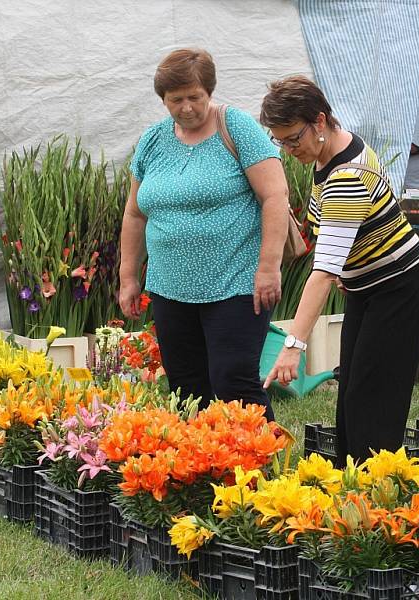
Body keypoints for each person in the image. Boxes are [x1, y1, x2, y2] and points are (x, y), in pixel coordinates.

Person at [260, 76, 419, 465]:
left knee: (374, 400)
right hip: (366, 285)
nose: (288, 151)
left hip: (398, 288)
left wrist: (293, 346)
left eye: (293, 139)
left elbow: (322, 273)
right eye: (281, 142)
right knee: (352, 392)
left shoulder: (346, 178)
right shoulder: (331, 147)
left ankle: (378, 497)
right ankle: (351, 487)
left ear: (319, 121)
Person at [119, 48, 288, 419]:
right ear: (162, 99)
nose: (186, 107)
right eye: (174, 100)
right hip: (170, 288)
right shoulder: (152, 141)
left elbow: (275, 196)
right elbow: (134, 213)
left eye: (194, 97)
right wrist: (128, 276)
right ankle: (201, 468)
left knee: (233, 381)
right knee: (186, 387)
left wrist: (268, 266)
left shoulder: (237, 128)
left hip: (236, 283)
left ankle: (264, 468)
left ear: (209, 91)